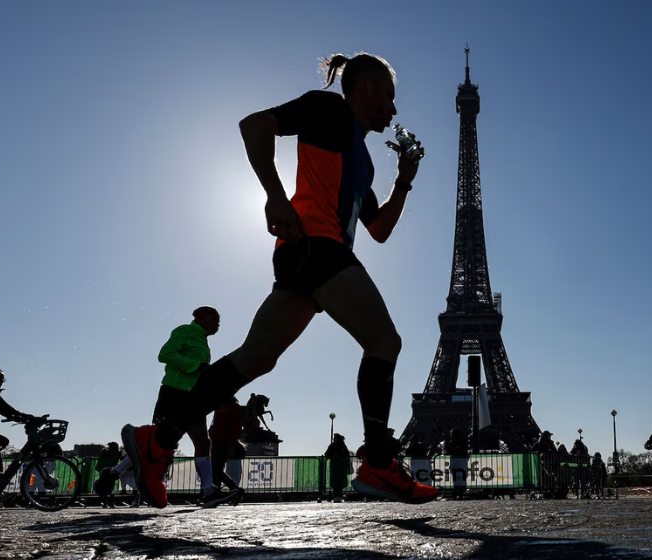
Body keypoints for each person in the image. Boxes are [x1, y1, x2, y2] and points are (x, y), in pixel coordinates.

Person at [122, 52, 437, 508]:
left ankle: (157, 441)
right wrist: (275, 197)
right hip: (316, 247)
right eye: (389, 97)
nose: (393, 110)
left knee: (254, 359)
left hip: (304, 257)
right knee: (384, 342)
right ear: (364, 89)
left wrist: (404, 182)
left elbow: (380, 230)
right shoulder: (328, 109)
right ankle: (378, 463)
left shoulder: (363, 161)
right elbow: (254, 125)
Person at [108, 307, 236, 507]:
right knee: (160, 443)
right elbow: (165, 354)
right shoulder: (184, 331)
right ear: (200, 318)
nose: (218, 323)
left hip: (194, 397)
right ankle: (113, 474)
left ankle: (209, 491)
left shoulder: (203, 341)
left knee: (203, 442)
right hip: (173, 393)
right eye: (215, 318)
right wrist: (195, 365)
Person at [208, 397, 245, 498]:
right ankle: (230, 488)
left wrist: (231, 445)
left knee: (216, 469)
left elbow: (235, 429)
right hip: (218, 441)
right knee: (216, 469)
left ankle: (223, 489)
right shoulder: (222, 406)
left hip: (222, 442)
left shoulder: (229, 407)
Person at [324, 433, 352, 502]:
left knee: (335, 482)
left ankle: (336, 495)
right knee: (340, 482)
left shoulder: (333, 446)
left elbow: (327, 454)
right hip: (341, 467)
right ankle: (339, 495)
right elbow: (347, 455)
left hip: (335, 466)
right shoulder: (343, 446)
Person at [94, 442, 122, 508]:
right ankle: (106, 503)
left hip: (112, 474)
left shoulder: (117, 456)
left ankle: (109, 503)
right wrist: (102, 471)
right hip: (105, 474)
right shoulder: (105, 456)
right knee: (107, 487)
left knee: (110, 487)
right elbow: (98, 466)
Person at [446, 428, 468, 500]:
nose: (452, 435)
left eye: (453, 434)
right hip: (458, 462)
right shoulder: (453, 443)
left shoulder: (452, 443)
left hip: (457, 461)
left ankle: (459, 494)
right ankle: (456, 494)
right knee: (457, 478)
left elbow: (448, 452)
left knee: (459, 478)